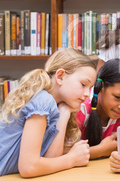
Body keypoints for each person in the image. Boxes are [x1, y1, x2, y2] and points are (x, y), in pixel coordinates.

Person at [0, 48, 97, 177]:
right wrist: (71, 159)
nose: (87, 94)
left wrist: (64, 113)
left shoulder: (54, 105)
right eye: (83, 84)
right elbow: (29, 167)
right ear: (60, 76)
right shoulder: (43, 100)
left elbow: (51, 158)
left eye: (90, 88)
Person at [76, 59, 120, 159]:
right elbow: (64, 154)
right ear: (101, 87)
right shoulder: (80, 107)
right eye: (118, 97)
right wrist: (101, 150)